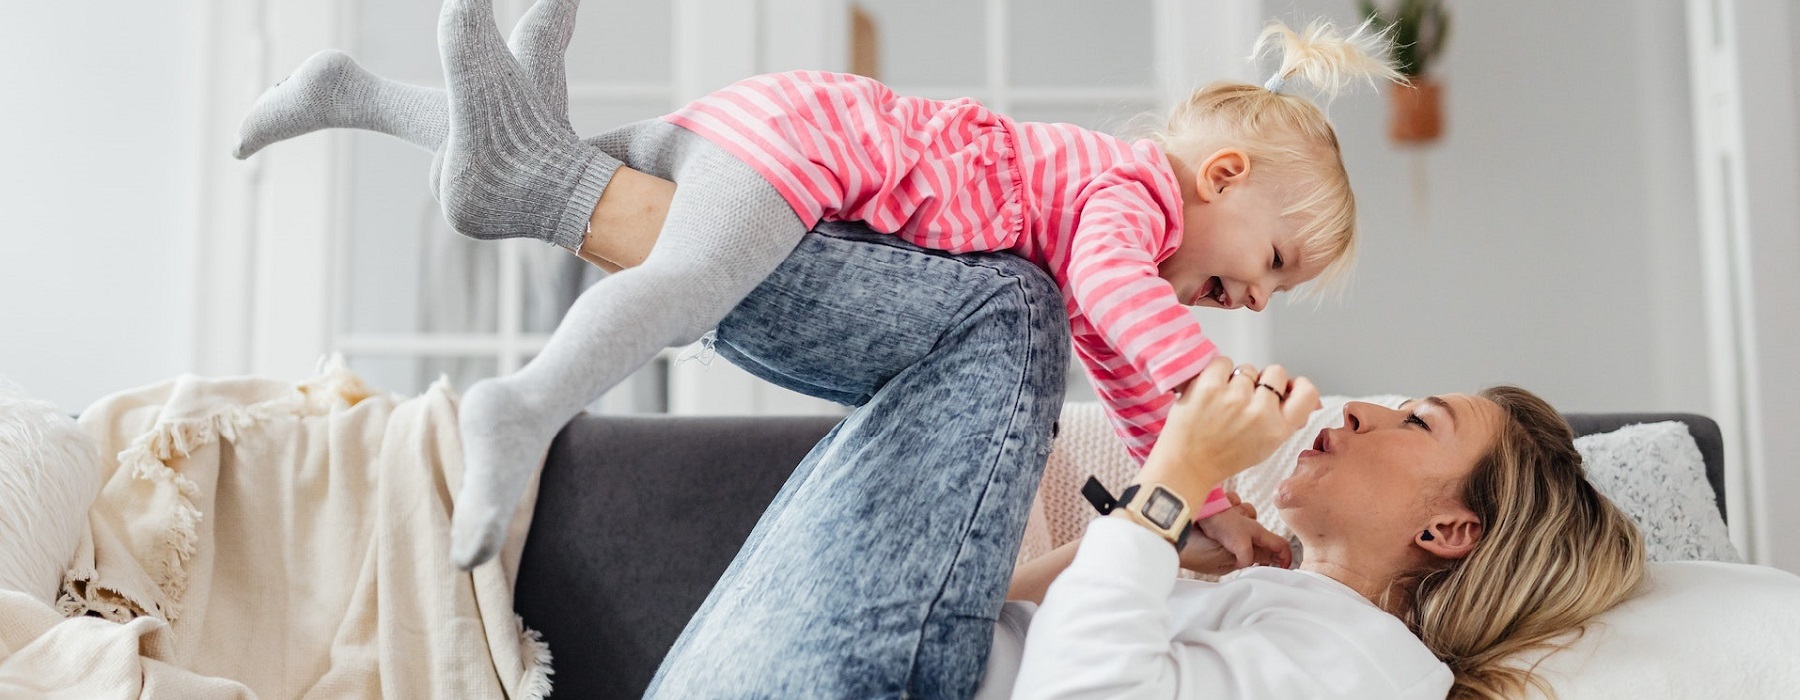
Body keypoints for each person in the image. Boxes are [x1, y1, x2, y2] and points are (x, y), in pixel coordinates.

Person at [231, 0, 1402, 571]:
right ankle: (525, 402)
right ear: (1224, 176)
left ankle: (355, 93)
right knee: (690, 280)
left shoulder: (1130, 231)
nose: (1254, 302)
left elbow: (1135, 390)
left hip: (775, 122)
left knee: (530, 168)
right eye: (1273, 266)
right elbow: (1119, 303)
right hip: (817, 146)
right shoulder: (1131, 196)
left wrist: (1205, 504)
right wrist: (1210, 374)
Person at [979, 370, 1648, 699]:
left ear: (1447, 529)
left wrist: (1178, 475)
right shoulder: (1309, 617)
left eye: (1417, 424)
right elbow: (982, 631)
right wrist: (1153, 540)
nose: (1356, 410)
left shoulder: (1363, 666)